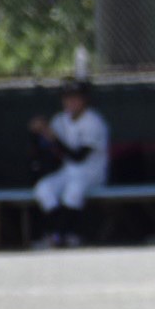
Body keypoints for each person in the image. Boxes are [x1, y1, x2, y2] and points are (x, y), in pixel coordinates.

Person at [29, 79, 109, 248]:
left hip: (91, 172)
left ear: (84, 99)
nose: (70, 102)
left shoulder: (93, 122)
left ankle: (58, 236)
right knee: (44, 188)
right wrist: (39, 132)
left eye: (75, 97)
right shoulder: (60, 119)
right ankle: (67, 234)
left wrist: (53, 138)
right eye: (67, 97)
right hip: (69, 171)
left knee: (73, 190)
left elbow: (78, 157)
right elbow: (45, 149)